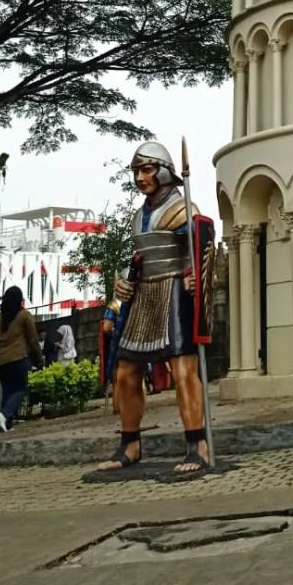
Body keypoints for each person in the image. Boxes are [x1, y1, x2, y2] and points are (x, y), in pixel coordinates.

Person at [97, 141, 214, 475]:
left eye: (146, 169)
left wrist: (195, 278)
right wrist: (121, 288)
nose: (140, 177)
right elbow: (137, 259)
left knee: (183, 371)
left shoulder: (182, 209)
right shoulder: (138, 217)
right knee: (126, 372)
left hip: (174, 290)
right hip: (143, 294)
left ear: (163, 172)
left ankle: (197, 444)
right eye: (136, 170)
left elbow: (200, 249)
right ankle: (130, 443)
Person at [0, 286, 43, 431]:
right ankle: (4, 415)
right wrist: (39, 358)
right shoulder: (24, 315)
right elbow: (33, 339)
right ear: (19, 300)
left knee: (8, 390)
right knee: (20, 389)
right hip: (18, 358)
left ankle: (5, 425)